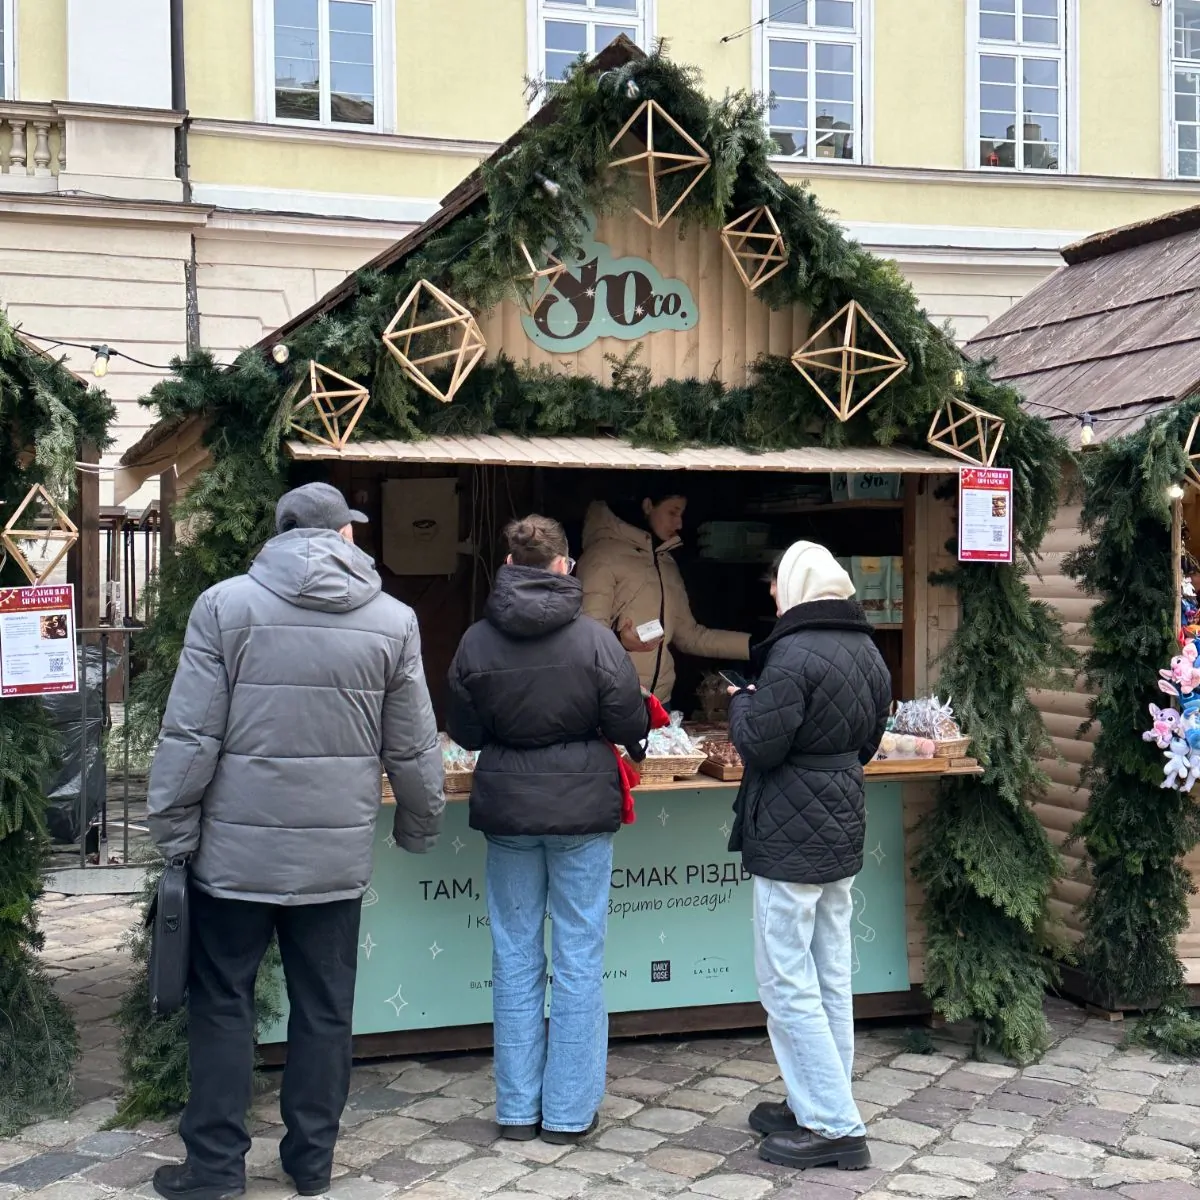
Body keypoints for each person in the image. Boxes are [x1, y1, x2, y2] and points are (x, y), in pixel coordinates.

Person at [146, 482, 445, 1200]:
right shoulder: (393, 620)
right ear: (343, 535)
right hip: (333, 861)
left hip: (233, 858)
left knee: (223, 1003)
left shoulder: (224, 607)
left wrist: (173, 829)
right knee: (325, 1010)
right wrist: (419, 824)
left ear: (280, 533)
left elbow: (190, 735)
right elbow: (413, 745)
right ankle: (312, 1164)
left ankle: (215, 1168)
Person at [446, 515, 650, 1144]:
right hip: (581, 810)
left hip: (509, 807)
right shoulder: (595, 641)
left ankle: (516, 1110)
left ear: (509, 565)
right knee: (579, 955)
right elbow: (629, 723)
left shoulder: (476, 641)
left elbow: (466, 732)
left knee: (513, 955)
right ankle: (567, 1113)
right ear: (566, 565)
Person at [726, 540, 891, 1173]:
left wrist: (742, 699)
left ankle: (833, 1124)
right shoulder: (868, 648)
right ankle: (817, 1100)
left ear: (796, 584)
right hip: (842, 819)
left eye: (777, 582)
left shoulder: (791, 652)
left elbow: (759, 745)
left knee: (785, 978)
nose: (772, 592)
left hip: (789, 828)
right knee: (830, 974)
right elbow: (870, 740)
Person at [577, 479, 750, 703]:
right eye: (672, 512)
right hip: (615, 699)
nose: (679, 523)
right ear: (648, 505)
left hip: (660, 701)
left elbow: (690, 636)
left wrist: (753, 645)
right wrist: (620, 641)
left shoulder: (665, 561)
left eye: (682, 514)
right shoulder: (602, 556)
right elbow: (587, 639)